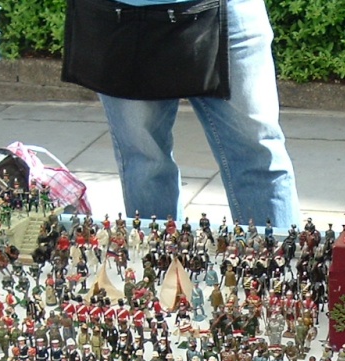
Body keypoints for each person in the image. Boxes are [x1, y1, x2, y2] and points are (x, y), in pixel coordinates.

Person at [97, 0, 300, 228]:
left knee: (259, 157)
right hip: (124, 13)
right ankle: (160, 261)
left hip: (230, 11)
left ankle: (274, 261)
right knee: (145, 165)